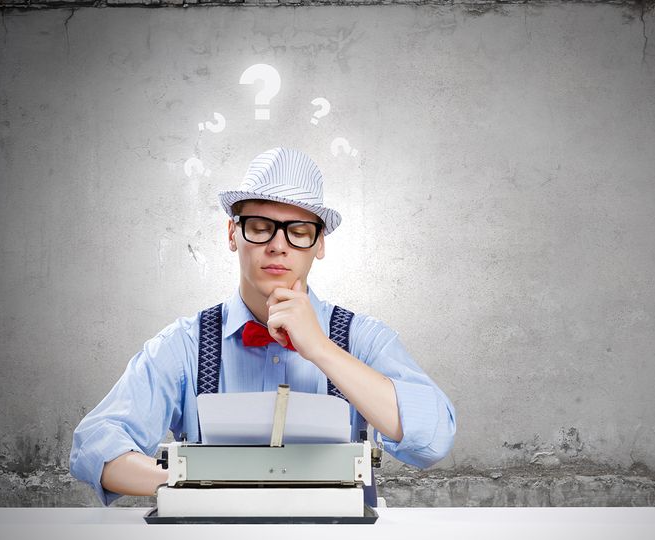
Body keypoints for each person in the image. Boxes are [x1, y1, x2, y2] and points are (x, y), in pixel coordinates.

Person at [69, 147, 456, 505]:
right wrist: (186, 480)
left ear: (319, 244)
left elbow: (433, 439)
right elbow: (95, 445)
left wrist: (321, 349)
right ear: (232, 234)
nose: (278, 246)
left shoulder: (362, 338)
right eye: (259, 226)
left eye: (299, 231)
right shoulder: (185, 344)